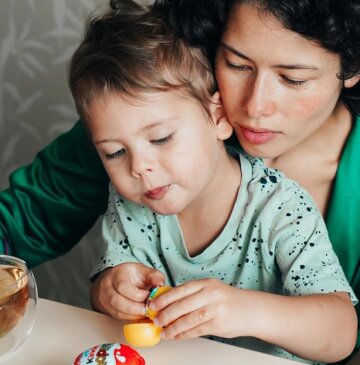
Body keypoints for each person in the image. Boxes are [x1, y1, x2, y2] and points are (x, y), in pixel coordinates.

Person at [0, 0, 359, 355]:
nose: (254, 106)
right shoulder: (150, 108)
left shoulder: (282, 205)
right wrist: (111, 290)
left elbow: (339, 332)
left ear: (352, 66)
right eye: (236, 63)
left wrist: (247, 310)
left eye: (293, 78)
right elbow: (21, 223)